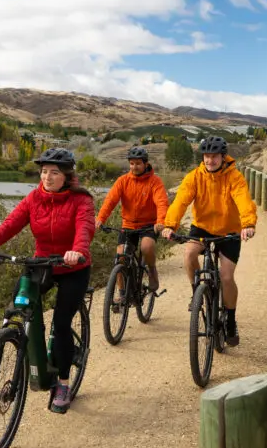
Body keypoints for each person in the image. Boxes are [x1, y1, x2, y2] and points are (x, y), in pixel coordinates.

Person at [0, 147, 95, 414]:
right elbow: (11, 224)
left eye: (54, 173)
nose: (47, 177)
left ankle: (63, 383)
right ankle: (29, 348)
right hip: (42, 264)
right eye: (43, 172)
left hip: (73, 267)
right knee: (20, 306)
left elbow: (85, 228)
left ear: (66, 176)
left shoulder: (81, 200)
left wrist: (77, 251)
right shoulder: (34, 198)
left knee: (61, 325)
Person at [161, 136, 256, 346]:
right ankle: (197, 293)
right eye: (206, 156)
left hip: (229, 231)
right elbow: (180, 201)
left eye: (214, 156)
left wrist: (248, 224)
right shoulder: (194, 177)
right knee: (189, 254)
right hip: (202, 227)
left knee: (226, 277)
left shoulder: (234, 177)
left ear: (223, 157)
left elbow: (243, 200)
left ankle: (230, 320)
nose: (210, 160)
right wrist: (170, 225)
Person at [95, 146, 170, 294]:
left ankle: (152, 270)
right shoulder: (123, 181)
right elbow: (110, 200)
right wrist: (100, 218)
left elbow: (161, 202)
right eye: (131, 163)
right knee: (120, 257)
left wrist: (161, 221)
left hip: (148, 225)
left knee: (147, 247)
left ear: (145, 163)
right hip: (128, 225)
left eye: (138, 163)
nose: (134, 167)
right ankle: (122, 293)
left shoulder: (155, 181)